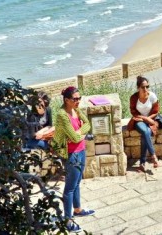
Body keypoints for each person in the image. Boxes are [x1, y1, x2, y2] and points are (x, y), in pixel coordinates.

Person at [53, 87, 94, 233]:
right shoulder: (62, 115)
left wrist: (80, 133)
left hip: (81, 150)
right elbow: (75, 137)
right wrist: (81, 134)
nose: (78, 101)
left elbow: (88, 124)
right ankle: (68, 221)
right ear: (66, 100)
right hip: (72, 154)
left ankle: (77, 209)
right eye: (75, 99)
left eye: (79, 98)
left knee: (77, 183)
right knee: (69, 188)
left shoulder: (76, 110)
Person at [127, 76, 161, 172]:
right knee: (145, 132)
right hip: (139, 120)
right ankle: (153, 156)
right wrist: (142, 118)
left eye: (147, 86)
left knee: (144, 134)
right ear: (138, 88)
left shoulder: (152, 96)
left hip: (150, 120)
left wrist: (147, 118)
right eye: (143, 87)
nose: (145, 89)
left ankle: (142, 163)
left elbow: (156, 111)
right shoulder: (133, 98)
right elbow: (133, 112)